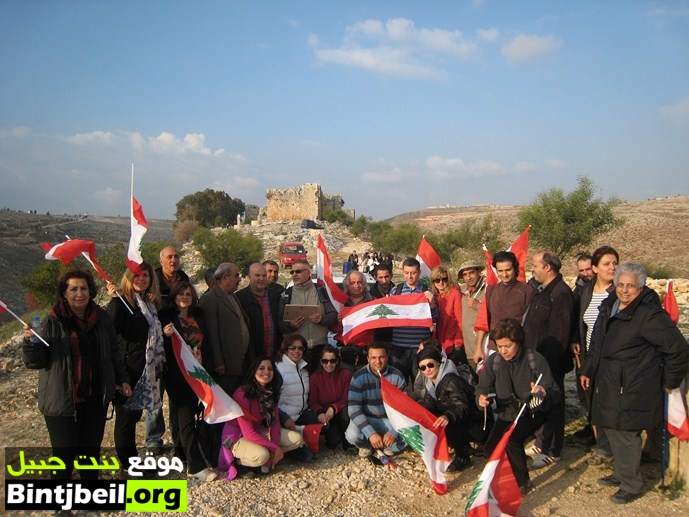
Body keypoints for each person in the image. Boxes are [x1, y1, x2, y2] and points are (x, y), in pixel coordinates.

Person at [580, 262, 688, 504]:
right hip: (608, 380)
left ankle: (632, 484)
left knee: (625, 432)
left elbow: (678, 350)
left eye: (630, 286)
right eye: (620, 285)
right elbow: (597, 343)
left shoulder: (649, 315)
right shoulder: (609, 306)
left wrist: (670, 381)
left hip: (633, 384)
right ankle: (621, 473)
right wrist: (588, 369)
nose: (624, 290)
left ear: (641, 288)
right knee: (611, 427)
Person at [22, 270, 130, 480]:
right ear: (64, 293)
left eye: (83, 288)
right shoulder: (50, 322)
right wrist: (30, 342)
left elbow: (114, 352)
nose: (79, 293)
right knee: (64, 456)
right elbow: (35, 361)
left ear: (91, 291)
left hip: (94, 398)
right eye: (73, 289)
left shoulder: (102, 318)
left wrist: (122, 378)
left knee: (90, 453)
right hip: (62, 402)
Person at [477, 319, 561, 494]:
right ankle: (504, 476)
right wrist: (481, 398)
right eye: (499, 346)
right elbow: (482, 386)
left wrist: (542, 392)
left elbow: (554, 391)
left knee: (512, 439)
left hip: (532, 411)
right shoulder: (494, 361)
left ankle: (523, 483)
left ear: (518, 342)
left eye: (507, 345)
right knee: (490, 449)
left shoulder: (534, 359)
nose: (503, 350)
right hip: (507, 412)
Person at [107, 262, 165, 467]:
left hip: (144, 371)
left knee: (134, 417)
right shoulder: (119, 303)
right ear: (129, 277)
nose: (141, 279)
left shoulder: (146, 303)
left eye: (146, 276)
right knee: (125, 420)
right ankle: (128, 463)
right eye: (137, 276)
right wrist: (118, 377)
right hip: (127, 371)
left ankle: (131, 460)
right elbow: (110, 341)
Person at [159, 281, 217, 481]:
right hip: (177, 375)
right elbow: (157, 342)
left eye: (188, 294)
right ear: (174, 296)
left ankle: (181, 455)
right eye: (181, 294)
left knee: (184, 415)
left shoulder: (198, 316)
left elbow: (206, 343)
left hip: (198, 373)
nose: (184, 297)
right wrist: (164, 335)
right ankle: (196, 466)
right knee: (185, 420)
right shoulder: (166, 317)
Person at [522, 251, 574, 468]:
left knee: (553, 404)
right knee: (539, 403)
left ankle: (551, 449)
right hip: (536, 360)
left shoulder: (561, 294)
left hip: (549, 363)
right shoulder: (542, 291)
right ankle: (541, 442)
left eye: (535, 265)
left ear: (548, 268)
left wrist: (546, 367)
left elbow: (559, 335)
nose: (532, 269)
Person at [222, 357, 306, 474]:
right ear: (253, 371)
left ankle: (268, 458)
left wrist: (274, 445)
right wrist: (274, 448)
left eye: (270, 369)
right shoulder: (242, 394)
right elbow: (248, 433)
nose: (266, 372)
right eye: (261, 368)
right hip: (238, 436)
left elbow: (275, 423)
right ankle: (240, 463)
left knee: (297, 439)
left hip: (262, 431)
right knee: (262, 455)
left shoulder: (270, 392)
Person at [571, 246, 619, 448]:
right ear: (596, 268)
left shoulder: (620, 292)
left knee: (610, 404)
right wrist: (576, 340)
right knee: (590, 400)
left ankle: (614, 450)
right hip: (589, 356)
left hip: (612, 360)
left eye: (615, 263)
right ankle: (601, 445)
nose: (613, 268)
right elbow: (579, 320)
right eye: (607, 264)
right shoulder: (586, 291)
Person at [413, 342, 482, 471]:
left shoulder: (450, 380)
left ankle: (463, 456)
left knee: (445, 422)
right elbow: (429, 403)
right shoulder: (431, 382)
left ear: (439, 363)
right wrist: (412, 409)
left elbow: (462, 407)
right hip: (459, 419)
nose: (427, 370)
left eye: (430, 365)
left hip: (472, 423)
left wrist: (448, 416)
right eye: (422, 368)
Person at [148, 245, 190, 453]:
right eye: (169, 257)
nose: (173, 260)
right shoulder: (152, 280)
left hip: (177, 348)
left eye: (176, 256)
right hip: (156, 347)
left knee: (177, 400)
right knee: (156, 397)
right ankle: (154, 442)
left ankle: (179, 442)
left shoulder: (183, 278)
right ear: (161, 260)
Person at [346, 343, 407, 459]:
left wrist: (394, 432)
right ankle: (369, 445)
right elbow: (353, 409)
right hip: (367, 418)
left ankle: (384, 444)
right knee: (352, 435)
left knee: (406, 439)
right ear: (368, 358)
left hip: (389, 420)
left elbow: (404, 409)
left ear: (387, 357)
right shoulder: (358, 377)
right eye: (373, 358)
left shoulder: (397, 376)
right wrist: (371, 433)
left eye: (381, 357)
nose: (378, 361)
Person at [199, 262, 251, 396]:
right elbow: (212, 333)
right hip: (224, 368)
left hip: (239, 363)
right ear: (225, 277)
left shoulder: (232, 296)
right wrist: (218, 362)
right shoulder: (210, 299)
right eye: (236, 275)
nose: (239, 279)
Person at [473, 251, 533, 365]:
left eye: (508, 270)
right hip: (494, 348)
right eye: (500, 271)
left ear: (515, 269)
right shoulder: (491, 291)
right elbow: (484, 322)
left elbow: (530, 324)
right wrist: (478, 348)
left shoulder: (527, 291)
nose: (504, 274)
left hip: (517, 348)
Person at [279, 259, 337, 368]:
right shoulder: (286, 294)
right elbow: (279, 324)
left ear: (308, 272)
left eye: (298, 271)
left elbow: (333, 315)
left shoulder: (321, 291)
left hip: (319, 349)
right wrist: (291, 326)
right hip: (296, 351)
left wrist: (321, 320)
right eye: (292, 272)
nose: (295, 274)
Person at [390, 257, 437, 383]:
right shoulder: (396, 291)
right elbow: (389, 318)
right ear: (402, 272)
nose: (410, 276)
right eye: (406, 273)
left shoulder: (427, 291)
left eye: (413, 273)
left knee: (421, 385)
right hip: (399, 348)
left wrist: (432, 305)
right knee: (399, 384)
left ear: (419, 273)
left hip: (420, 347)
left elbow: (435, 319)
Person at [309, 346, 353, 449]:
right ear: (320, 362)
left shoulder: (346, 374)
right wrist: (319, 412)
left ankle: (348, 440)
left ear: (337, 361)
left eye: (332, 361)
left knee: (346, 413)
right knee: (333, 442)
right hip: (325, 415)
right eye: (325, 361)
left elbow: (346, 398)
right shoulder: (315, 377)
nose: (329, 364)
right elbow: (313, 401)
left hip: (341, 411)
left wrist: (333, 408)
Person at [236, 263, 282, 359]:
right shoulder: (240, 298)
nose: (261, 279)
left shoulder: (276, 295)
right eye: (257, 275)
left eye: (264, 275)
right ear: (249, 277)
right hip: (252, 356)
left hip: (275, 353)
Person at [275, 334, 319, 427]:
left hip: (302, 414)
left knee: (324, 426)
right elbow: (270, 401)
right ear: (286, 349)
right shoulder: (277, 369)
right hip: (284, 419)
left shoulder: (304, 368)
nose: (297, 351)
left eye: (300, 348)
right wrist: (284, 418)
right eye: (292, 348)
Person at [430, 265, 466, 366]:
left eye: (444, 279)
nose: (441, 283)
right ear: (433, 282)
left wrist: (458, 343)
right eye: (437, 280)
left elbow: (460, 319)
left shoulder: (455, 294)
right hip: (438, 343)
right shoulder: (434, 297)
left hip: (453, 343)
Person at [338, 270, 374, 367]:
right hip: (344, 352)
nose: (357, 286)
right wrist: (337, 321)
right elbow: (332, 328)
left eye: (359, 282)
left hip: (366, 353)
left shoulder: (373, 302)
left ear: (364, 284)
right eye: (352, 283)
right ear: (346, 285)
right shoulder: (339, 303)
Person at [457, 261, 486, 369]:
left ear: (479, 272)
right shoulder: (462, 291)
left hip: (484, 348)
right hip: (468, 348)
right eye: (465, 274)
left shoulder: (488, 289)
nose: (469, 277)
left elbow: (496, 313)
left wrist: (479, 306)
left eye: (471, 273)